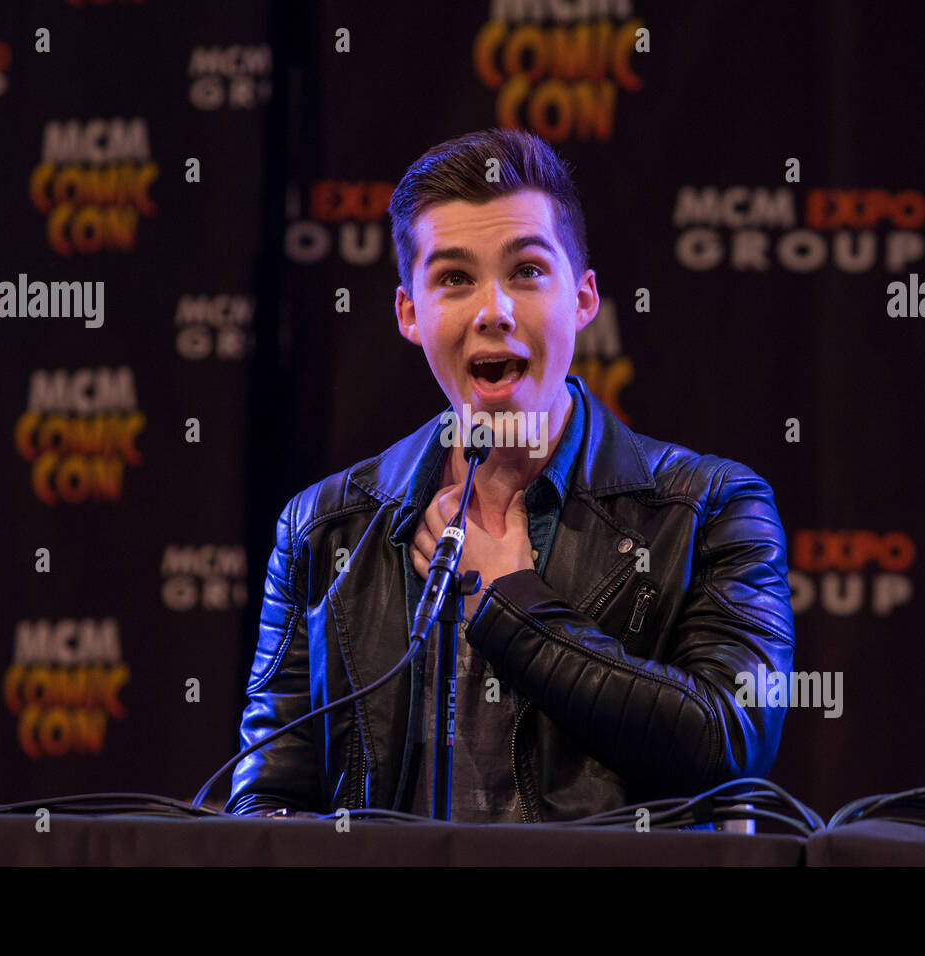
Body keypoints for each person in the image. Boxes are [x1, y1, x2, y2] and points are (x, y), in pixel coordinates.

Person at [226, 127, 795, 822]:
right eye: (454, 279)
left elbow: (729, 742)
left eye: (526, 271)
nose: (493, 310)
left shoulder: (708, 507)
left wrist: (508, 600)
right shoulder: (322, 528)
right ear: (410, 313)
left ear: (582, 299)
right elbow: (267, 803)